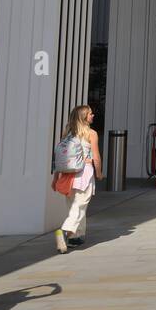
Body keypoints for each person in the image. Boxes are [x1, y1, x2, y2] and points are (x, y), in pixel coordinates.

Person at [53, 105, 101, 253]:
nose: (93, 115)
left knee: (73, 206)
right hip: (84, 173)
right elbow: (96, 157)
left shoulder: (68, 133)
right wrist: (99, 173)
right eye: (90, 114)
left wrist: (55, 178)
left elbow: (60, 158)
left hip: (68, 175)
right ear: (83, 117)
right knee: (79, 207)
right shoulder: (91, 133)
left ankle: (76, 237)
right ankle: (65, 230)